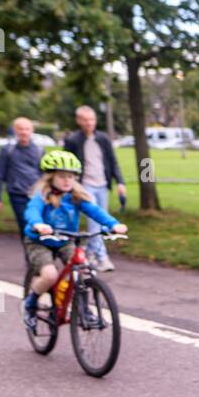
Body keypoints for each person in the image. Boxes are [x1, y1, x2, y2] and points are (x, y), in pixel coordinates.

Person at [21, 150, 128, 327]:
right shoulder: (42, 195)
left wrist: (113, 224)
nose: (67, 180)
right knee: (49, 275)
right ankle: (30, 304)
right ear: (50, 177)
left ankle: (84, 309)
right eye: (62, 176)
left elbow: (95, 211)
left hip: (65, 240)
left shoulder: (76, 197)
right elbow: (32, 212)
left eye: (71, 176)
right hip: (39, 241)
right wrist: (38, 224)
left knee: (85, 271)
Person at [63, 105, 127, 272]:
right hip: (84, 185)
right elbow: (66, 165)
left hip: (102, 183)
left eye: (92, 119)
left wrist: (119, 182)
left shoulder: (103, 139)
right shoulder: (73, 140)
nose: (89, 123)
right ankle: (102, 257)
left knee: (102, 219)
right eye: (85, 120)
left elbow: (112, 161)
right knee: (94, 222)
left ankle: (90, 253)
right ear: (79, 121)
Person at [0, 117, 44, 235]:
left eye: (27, 129)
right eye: (20, 129)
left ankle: (37, 252)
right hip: (17, 194)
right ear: (15, 130)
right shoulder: (7, 150)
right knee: (25, 225)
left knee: (39, 224)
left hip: (37, 194)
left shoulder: (39, 150)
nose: (24, 132)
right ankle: (29, 251)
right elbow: (0, 174)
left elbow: (44, 174)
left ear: (32, 130)